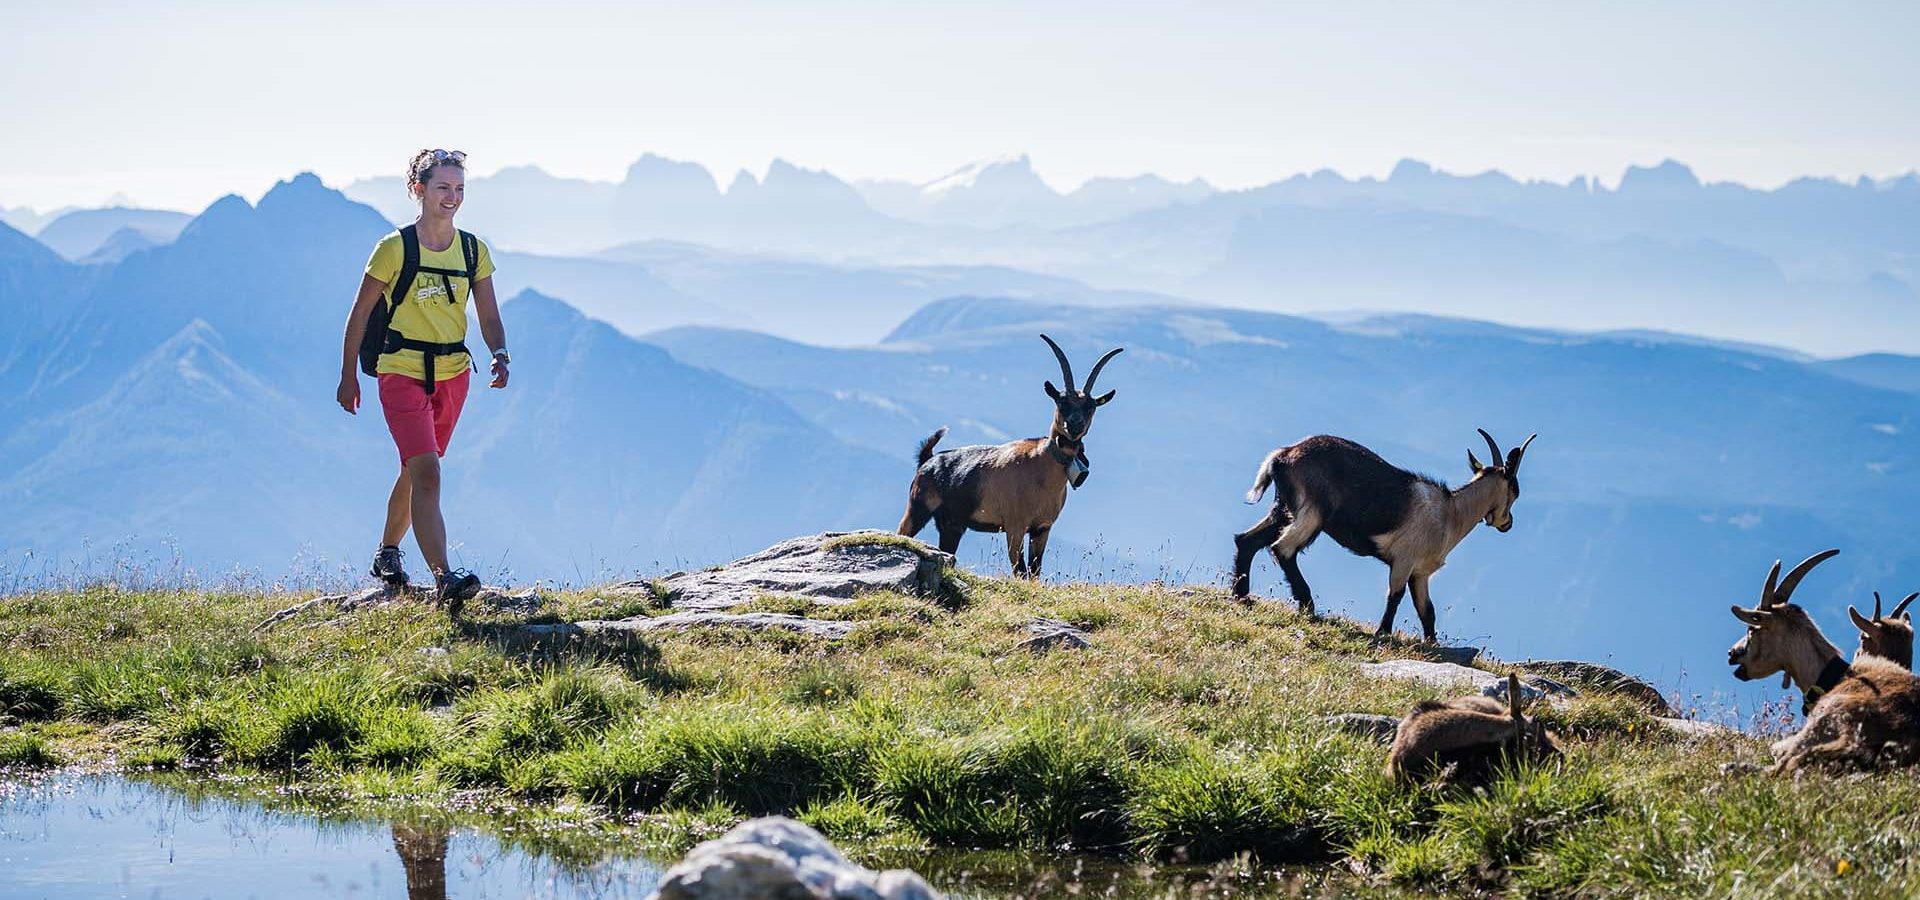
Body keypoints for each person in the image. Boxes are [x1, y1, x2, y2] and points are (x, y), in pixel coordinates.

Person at [336, 149, 509, 611]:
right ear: (419, 190)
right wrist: (348, 375)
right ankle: (445, 579)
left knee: (414, 472)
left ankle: (387, 554)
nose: (452, 198)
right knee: (428, 473)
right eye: (442, 188)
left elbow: (488, 314)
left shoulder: (473, 250)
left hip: (453, 376)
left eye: (459, 189)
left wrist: (500, 354)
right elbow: (360, 313)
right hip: (400, 373)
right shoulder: (394, 248)